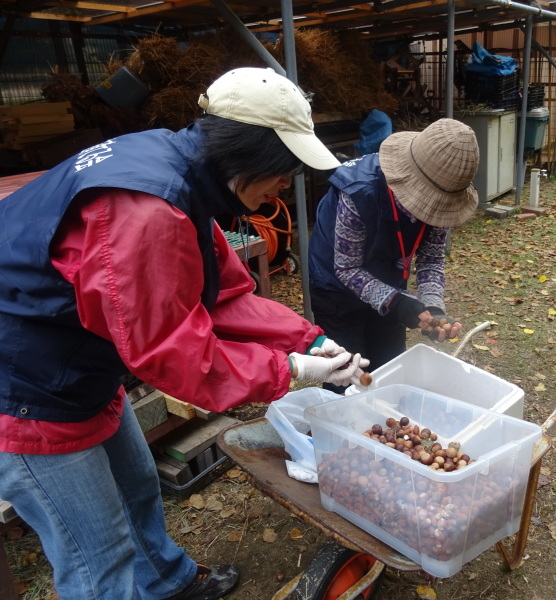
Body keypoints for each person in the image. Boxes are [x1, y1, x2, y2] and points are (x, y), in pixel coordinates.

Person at [0, 67, 368, 600]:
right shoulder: (146, 208)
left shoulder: (187, 174)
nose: (284, 187)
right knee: (97, 554)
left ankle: (168, 584)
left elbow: (224, 297)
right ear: (252, 153)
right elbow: (172, 352)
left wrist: (305, 341)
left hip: (83, 365)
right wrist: (289, 371)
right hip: (30, 388)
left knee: (138, 488)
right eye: (284, 172)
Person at [308, 118, 480, 393]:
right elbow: (347, 268)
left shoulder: (443, 193)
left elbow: (432, 258)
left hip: (390, 283)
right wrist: (397, 302)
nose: (430, 211)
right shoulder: (359, 192)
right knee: (349, 377)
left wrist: (432, 308)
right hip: (336, 289)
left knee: (390, 371)